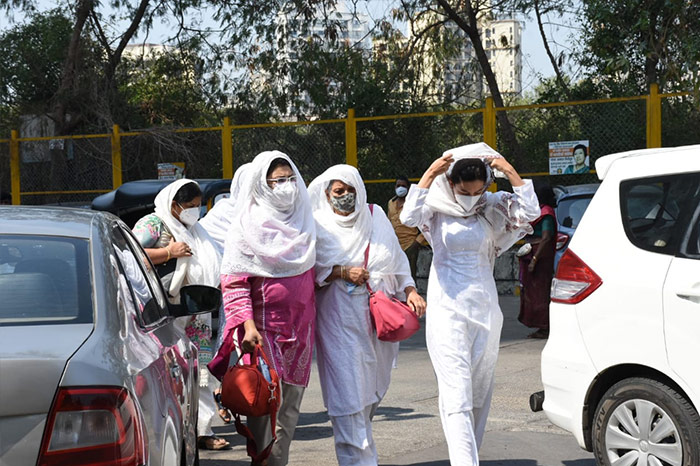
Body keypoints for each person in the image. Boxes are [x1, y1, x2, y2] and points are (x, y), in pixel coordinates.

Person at [400, 143, 540, 466]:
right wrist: (431, 172)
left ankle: (468, 456)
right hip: (447, 308)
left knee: (478, 393)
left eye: (478, 191)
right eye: (465, 191)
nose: (470, 199)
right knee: (457, 392)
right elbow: (408, 216)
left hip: (485, 310)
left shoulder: (490, 207)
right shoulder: (434, 207)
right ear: (451, 183)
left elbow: (531, 212)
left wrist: (508, 171)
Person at [307, 164, 426, 466]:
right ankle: (358, 460)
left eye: (350, 190)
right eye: (338, 191)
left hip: (377, 322)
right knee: (347, 398)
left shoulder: (375, 216)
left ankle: (361, 453)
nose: (345, 196)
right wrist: (340, 272)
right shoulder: (317, 223)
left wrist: (410, 290)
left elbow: (396, 259)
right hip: (337, 322)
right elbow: (304, 270)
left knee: (370, 395)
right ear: (326, 193)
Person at [208, 151, 317, 466]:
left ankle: (276, 461)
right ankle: (264, 460)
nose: (285, 186)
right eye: (277, 181)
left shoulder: (305, 222)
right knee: (262, 402)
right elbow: (234, 281)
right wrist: (247, 324)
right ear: (262, 185)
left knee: (291, 406)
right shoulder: (246, 225)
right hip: (263, 333)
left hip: (301, 331)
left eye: (289, 179)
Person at [132, 179, 228, 451]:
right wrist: (167, 252)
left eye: (198, 206)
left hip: (198, 311)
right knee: (165, 371)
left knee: (201, 370)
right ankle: (162, 429)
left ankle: (201, 429)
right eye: (189, 206)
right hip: (165, 314)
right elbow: (129, 255)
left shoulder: (197, 230)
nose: (194, 212)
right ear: (173, 205)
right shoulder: (153, 224)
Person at [199, 164, 252, 425]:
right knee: (216, 351)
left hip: (252, 295)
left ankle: (231, 396)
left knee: (243, 350)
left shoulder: (263, 216)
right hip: (217, 295)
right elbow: (204, 247)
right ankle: (219, 398)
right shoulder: (223, 213)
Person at [518, 183, 557, 339]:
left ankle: (545, 327)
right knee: (532, 291)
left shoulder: (546, 212)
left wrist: (535, 259)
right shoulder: (538, 211)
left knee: (540, 292)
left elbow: (546, 238)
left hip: (540, 257)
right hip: (532, 253)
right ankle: (540, 325)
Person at [387, 176, 429, 279]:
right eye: (398, 186)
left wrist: (417, 243)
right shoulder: (391, 203)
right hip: (395, 245)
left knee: (410, 275)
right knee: (395, 275)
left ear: (408, 188)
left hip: (410, 245)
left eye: (403, 186)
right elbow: (388, 222)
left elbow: (426, 226)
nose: (400, 188)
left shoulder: (413, 204)